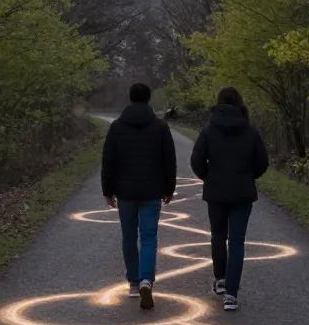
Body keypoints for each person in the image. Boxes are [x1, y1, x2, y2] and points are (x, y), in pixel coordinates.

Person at [189, 87, 269, 311]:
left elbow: (196, 160)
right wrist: (248, 176)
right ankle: (232, 294)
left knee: (217, 236)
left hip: (216, 192)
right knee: (237, 241)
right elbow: (262, 162)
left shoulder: (208, 129)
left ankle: (220, 279)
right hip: (242, 192)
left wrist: (208, 176)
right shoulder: (250, 130)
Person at [101, 83, 177, 309]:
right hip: (152, 190)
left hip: (125, 192)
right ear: (148, 98)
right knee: (149, 237)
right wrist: (169, 188)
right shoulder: (160, 127)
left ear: (130, 97)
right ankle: (146, 279)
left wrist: (108, 190)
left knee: (128, 237)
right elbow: (169, 161)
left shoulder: (116, 127)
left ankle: (134, 283)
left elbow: (108, 161)